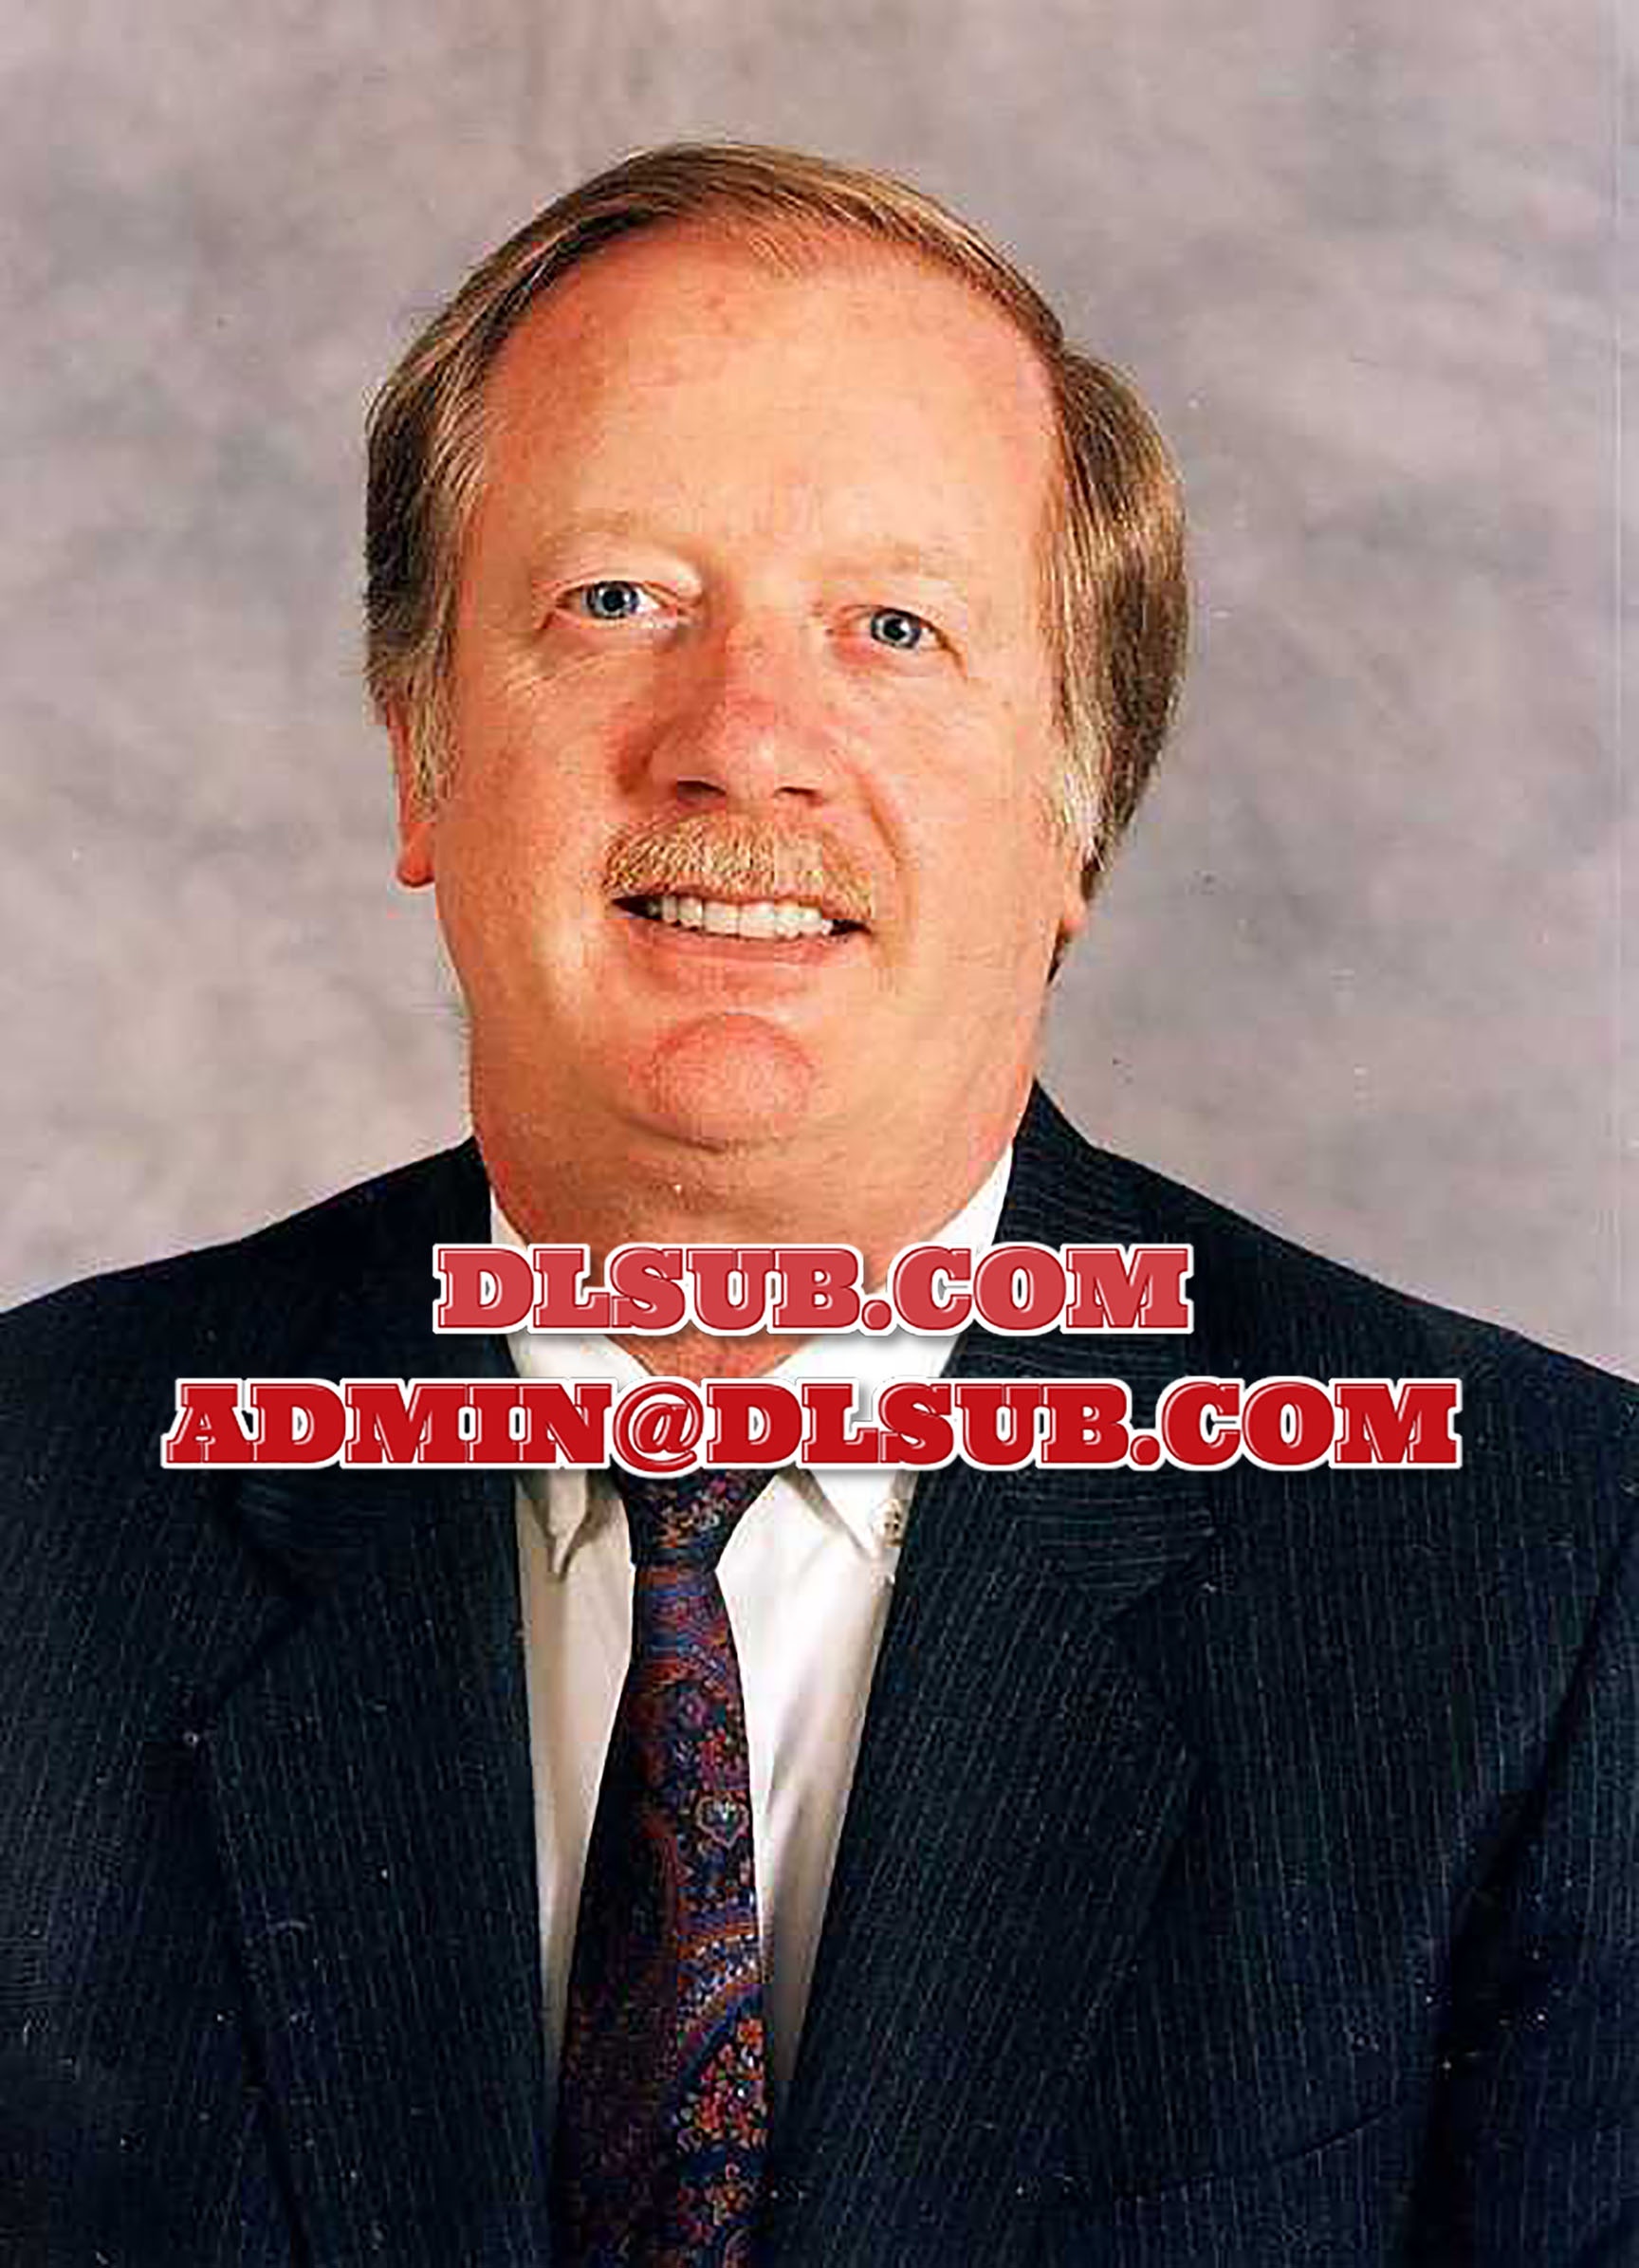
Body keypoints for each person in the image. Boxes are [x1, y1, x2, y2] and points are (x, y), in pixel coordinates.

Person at [1, 142, 1632, 2268]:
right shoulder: (37, 1512)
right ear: (420, 750)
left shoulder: (1549, 1593)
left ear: (1077, 815)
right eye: (617, 601)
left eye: (894, 627)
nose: (745, 741)